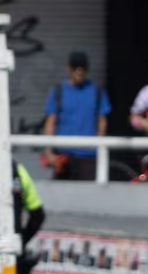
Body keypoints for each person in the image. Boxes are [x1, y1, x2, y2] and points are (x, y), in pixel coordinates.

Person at [40, 51, 110, 181]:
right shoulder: (58, 91)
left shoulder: (97, 91)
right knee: (61, 198)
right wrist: (49, 151)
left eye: (83, 69)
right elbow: (51, 122)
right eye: (76, 68)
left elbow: (102, 121)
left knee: (88, 197)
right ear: (69, 68)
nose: (79, 72)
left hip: (88, 155)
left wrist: (100, 147)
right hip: (63, 155)